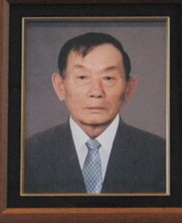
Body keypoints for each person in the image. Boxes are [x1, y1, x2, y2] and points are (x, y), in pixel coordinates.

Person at [22, 30, 168, 195]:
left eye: (108, 78)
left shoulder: (161, 156)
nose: (96, 92)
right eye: (82, 77)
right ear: (60, 86)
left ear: (129, 88)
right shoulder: (28, 154)